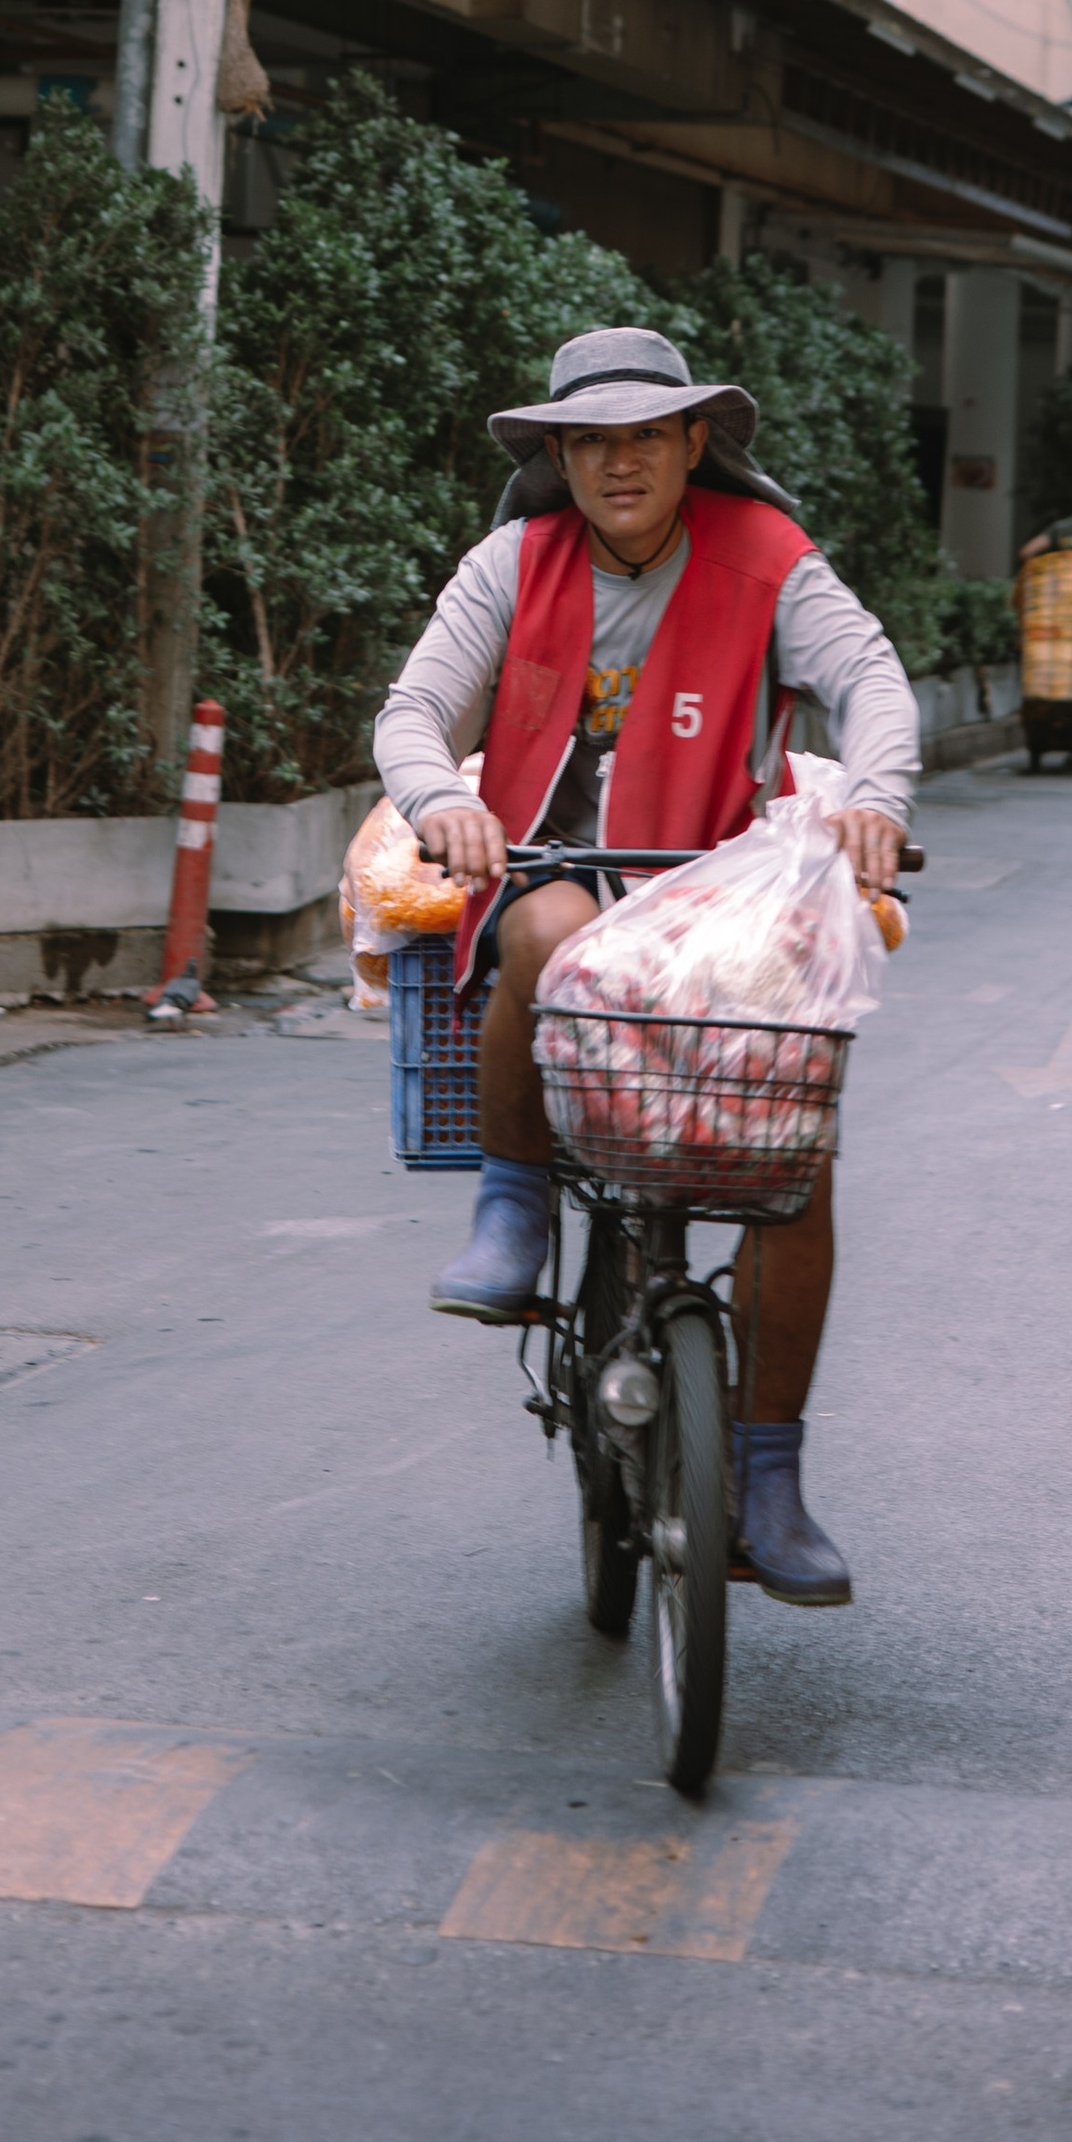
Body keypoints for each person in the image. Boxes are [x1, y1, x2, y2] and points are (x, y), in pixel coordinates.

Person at [373, 325, 918, 1605]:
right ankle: (512, 1205)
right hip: (555, 871)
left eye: (642, 437)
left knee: (798, 1153)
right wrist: (433, 800)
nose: (616, 463)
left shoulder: (771, 560)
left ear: (691, 444)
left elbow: (872, 683)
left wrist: (876, 797)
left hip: (721, 901)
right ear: (557, 457)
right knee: (551, 935)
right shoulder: (512, 561)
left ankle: (768, 1476)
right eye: (587, 442)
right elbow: (414, 710)